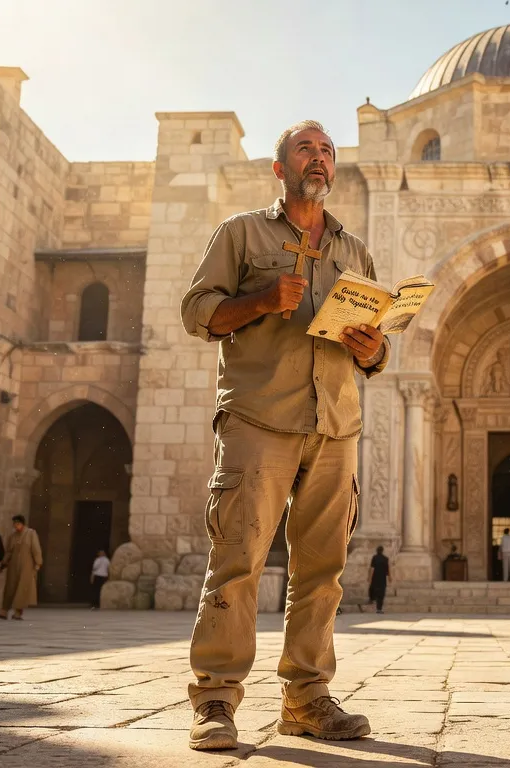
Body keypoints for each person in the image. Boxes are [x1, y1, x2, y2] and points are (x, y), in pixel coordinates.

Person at [179, 121, 384, 749]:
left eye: (326, 151)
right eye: (305, 149)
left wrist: (374, 348)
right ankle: (215, 697)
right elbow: (197, 312)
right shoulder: (241, 233)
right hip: (259, 419)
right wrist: (263, 300)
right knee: (238, 559)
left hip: (336, 425)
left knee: (323, 570)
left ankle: (308, 697)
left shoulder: (354, 251)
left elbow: (374, 353)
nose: (317, 159)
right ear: (281, 168)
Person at [0, 515, 42, 621]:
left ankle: (18, 612)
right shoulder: (12, 536)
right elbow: (9, 551)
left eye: (17, 524)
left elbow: (36, 549)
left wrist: (38, 563)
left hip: (26, 565)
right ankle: (4, 610)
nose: (16, 526)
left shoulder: (30, 533)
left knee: (22, 588)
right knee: (10, 587)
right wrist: (3, 563)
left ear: (22, 523)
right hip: (13, 565)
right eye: (14, 524)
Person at [368, 545, 389, 614]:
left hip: (375, 577)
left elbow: (372, 568)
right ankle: (379, 608)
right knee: (381, 594)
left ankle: (372, 599)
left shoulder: (374, 558)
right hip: (382, 578)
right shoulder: (385, 559)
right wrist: (390, 577)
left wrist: (370, 578)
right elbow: (387, 569)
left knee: (373, 589)